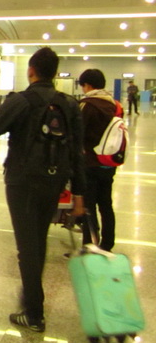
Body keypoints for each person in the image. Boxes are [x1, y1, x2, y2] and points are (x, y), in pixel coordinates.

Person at [0, 47, 85, 332]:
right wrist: (79, 193)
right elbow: (78, 153)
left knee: (27, 247)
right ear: (54, 73)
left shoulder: (21, 101)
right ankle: (31, 297)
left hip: (22, 181)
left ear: (31, 71)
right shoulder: (69, 104)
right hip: (54, 181)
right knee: (38, 240)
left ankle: (34, 313)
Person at [78, 69, 121, 251]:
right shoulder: (114, 105)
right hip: (109, 163)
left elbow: (78, 133)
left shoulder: (87, 105)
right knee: (106, 204)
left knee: (88, 206)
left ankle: (89, 245)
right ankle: (107, 243)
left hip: (90, 162)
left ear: (87, 85)